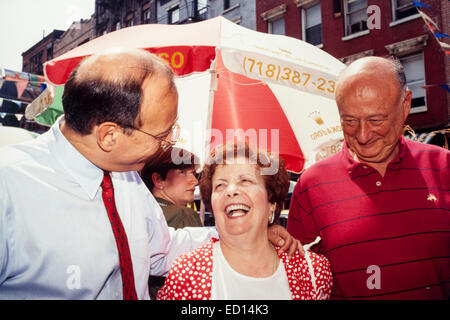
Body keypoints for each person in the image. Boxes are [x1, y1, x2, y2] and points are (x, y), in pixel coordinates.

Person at [0, 48, 297, 299]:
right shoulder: (9, 190)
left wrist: (245, 233)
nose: (168, 144)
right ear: (109, 136)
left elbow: (160, 250)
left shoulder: (124, 173)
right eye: (163, 134)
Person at [287, 56, 450, 299]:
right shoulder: (311, 184)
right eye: (349, 121)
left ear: (405, 105)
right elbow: (293, 273)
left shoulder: (444, 167)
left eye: (376, 120)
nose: (363, 136)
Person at [157, 141, 332, 300]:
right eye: (220, 185)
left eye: (245, 180)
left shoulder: (312, 272)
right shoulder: (186, 275)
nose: (231, 191)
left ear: (272, 201)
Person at [141, 147, 203, 299]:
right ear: (158, 180)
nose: (194, 181)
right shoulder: (183, 214)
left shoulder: (139, 213)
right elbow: (199, 276)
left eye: (193, 174)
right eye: (183, 172)